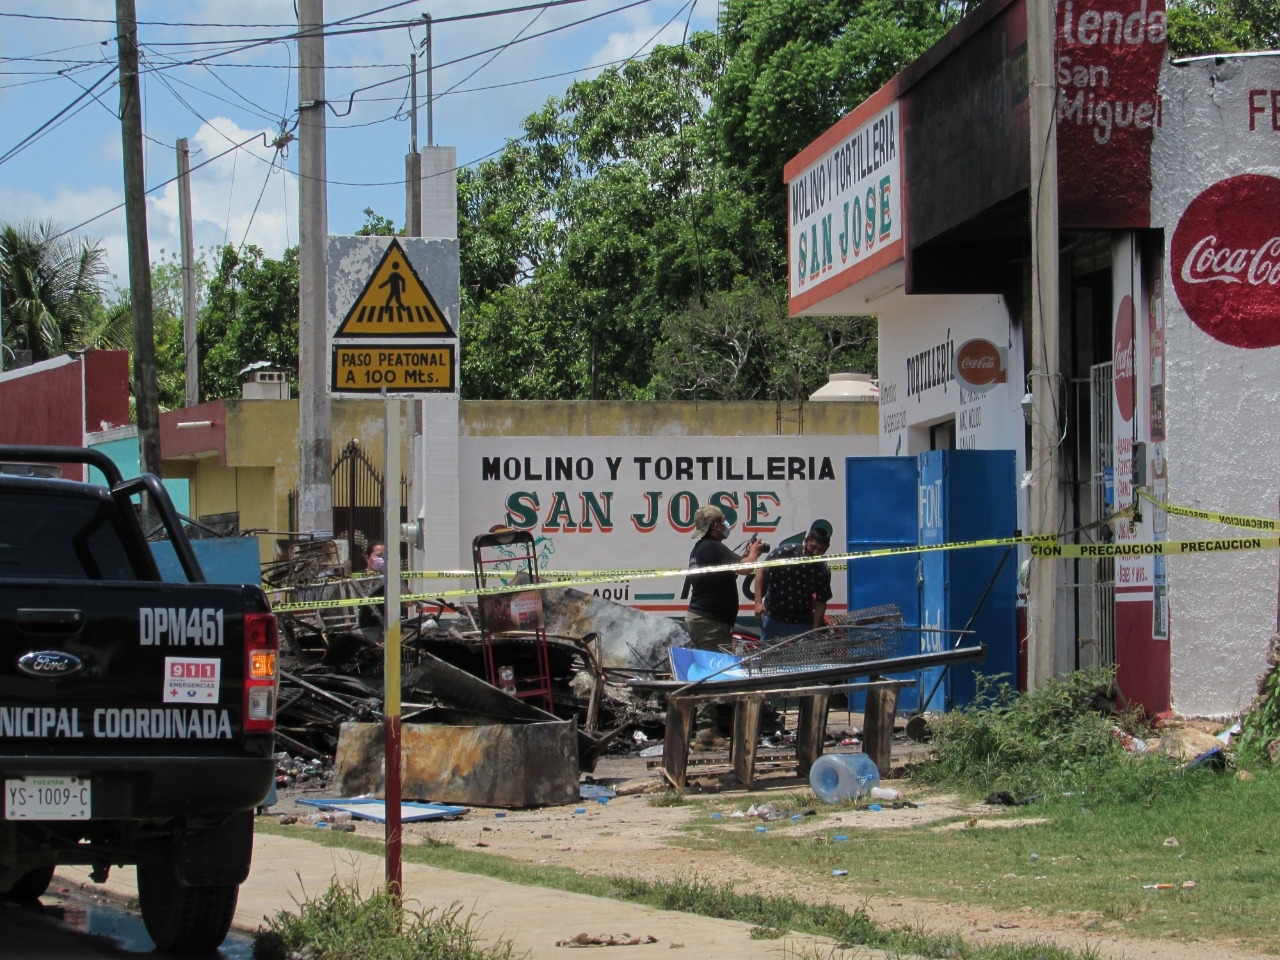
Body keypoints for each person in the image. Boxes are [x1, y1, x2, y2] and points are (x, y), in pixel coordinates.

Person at [683, 505, 767, 747]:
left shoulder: (702, 549)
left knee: (706, 671)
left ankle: (709, 727)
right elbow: (745, 567)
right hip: (709, 621)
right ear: (714, 526)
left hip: (705, 619)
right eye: (722, 521)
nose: (726, 525)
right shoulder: (712, 547)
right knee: (708, 673)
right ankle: (706, 731)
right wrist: (754, 552)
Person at [753, 519, 833, 644]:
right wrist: (758, 602)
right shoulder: (784, 552)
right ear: (806, 541)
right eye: (813, 547)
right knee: (768, 660)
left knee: (802, 662)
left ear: (827, 548)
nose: (815, 553)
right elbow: (762, 571)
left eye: (821, 550)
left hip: (802, 624)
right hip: (773, 619)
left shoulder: (822, 570)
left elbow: (821, 603)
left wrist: (815, 630)